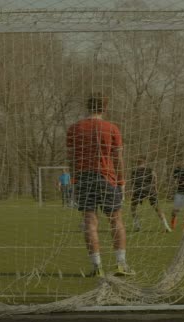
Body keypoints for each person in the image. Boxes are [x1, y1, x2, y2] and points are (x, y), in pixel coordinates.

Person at [67, 93, 132, 277]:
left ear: (88, 107)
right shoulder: (111, 128)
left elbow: (71, 158)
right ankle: (121, 264)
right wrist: (121, 181)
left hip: (83, 179)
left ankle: (97, 267)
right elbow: (117, 158)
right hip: (107, 178)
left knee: (90, 222)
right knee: (116, 220)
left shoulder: (74, 129)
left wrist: (74, 180)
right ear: (105, 108)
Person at [130, 158, 171, 233]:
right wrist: (155, 188)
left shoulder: (134, 172)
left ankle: (137, 226)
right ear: (144, 163)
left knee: (133, 208)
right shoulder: (149, 170)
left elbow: (133, 182)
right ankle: (166, 226)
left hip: (139, 190)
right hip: (150, 190)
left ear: (137, 163)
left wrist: (133, 190)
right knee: (157, 208)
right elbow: (155, 177)